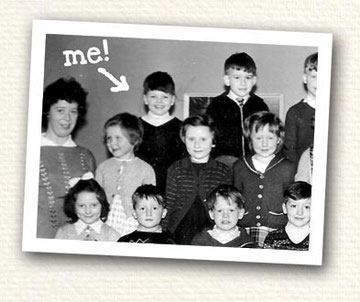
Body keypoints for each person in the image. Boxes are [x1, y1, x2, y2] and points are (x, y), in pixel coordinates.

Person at [38, 77, 96, 239]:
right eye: (60, 110)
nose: (67, 118)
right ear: (48, 111)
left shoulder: (86, 156)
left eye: (73, 111)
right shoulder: (31, 150)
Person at [162, 114, 232, 245]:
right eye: (191, 139)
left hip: (212, 232)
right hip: (179, 232)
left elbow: (226, 206)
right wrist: (164, 232)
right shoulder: (175, 169)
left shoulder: (223, 171)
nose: (197, 145)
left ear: (213, 141)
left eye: (203, 139)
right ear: (184, 140)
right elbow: (169, 204)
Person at [233, 111, 295, 247]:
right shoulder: (240, 166)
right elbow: (235, 198)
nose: (264, 144)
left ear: (279, 139)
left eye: (270, 138)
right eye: (259, 138)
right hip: (246, 227)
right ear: (250, 139)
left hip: (277, 227)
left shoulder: (287, 167)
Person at [95, 113, 156, 237]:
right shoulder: (103, 167)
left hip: (132, 222)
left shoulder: (146, 169)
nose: (112, 143)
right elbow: (95, 197)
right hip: (106, 221)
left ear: (134, 140)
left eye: (118, 138)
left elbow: (150, 202)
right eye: (109, 138)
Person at [206, 52, 269, 158]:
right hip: (224, 164)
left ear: (254, 80)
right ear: (227, 80)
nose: (243, 83)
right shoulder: (216, 106)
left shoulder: (260, 106)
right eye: (237, 77)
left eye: (248, 77)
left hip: (253, 163)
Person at [136, 71, 185, 193]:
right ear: (145, 99)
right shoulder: (135, 126)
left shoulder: (181, 127)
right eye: (153, 96)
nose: (159, 101)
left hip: (172, 188)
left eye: (165, 97)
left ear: (173, 100)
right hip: (141, 187)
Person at [55, 174, 119, 241]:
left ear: (102, 205)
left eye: (93, 205)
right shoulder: (63, 233)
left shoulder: (112, 235)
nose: (88, 211)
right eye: (81, 206)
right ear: (73, 206)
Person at [191, 184, 256, 248]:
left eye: (231, 210)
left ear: (240, 213)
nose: (225, 216)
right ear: (211, 214)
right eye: (219, 211)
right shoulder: (199, 242)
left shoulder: (248, 243)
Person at [283, 52, 318, 165]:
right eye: (314, 76)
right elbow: (290, 149)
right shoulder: (295, 112)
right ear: (305, 78)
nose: (320, 82)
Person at [264, 181, 311, 250]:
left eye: (306, 207)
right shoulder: (272, 239)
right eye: (294, 206)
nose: (300, 212)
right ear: (284, 208)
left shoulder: (320, 240)